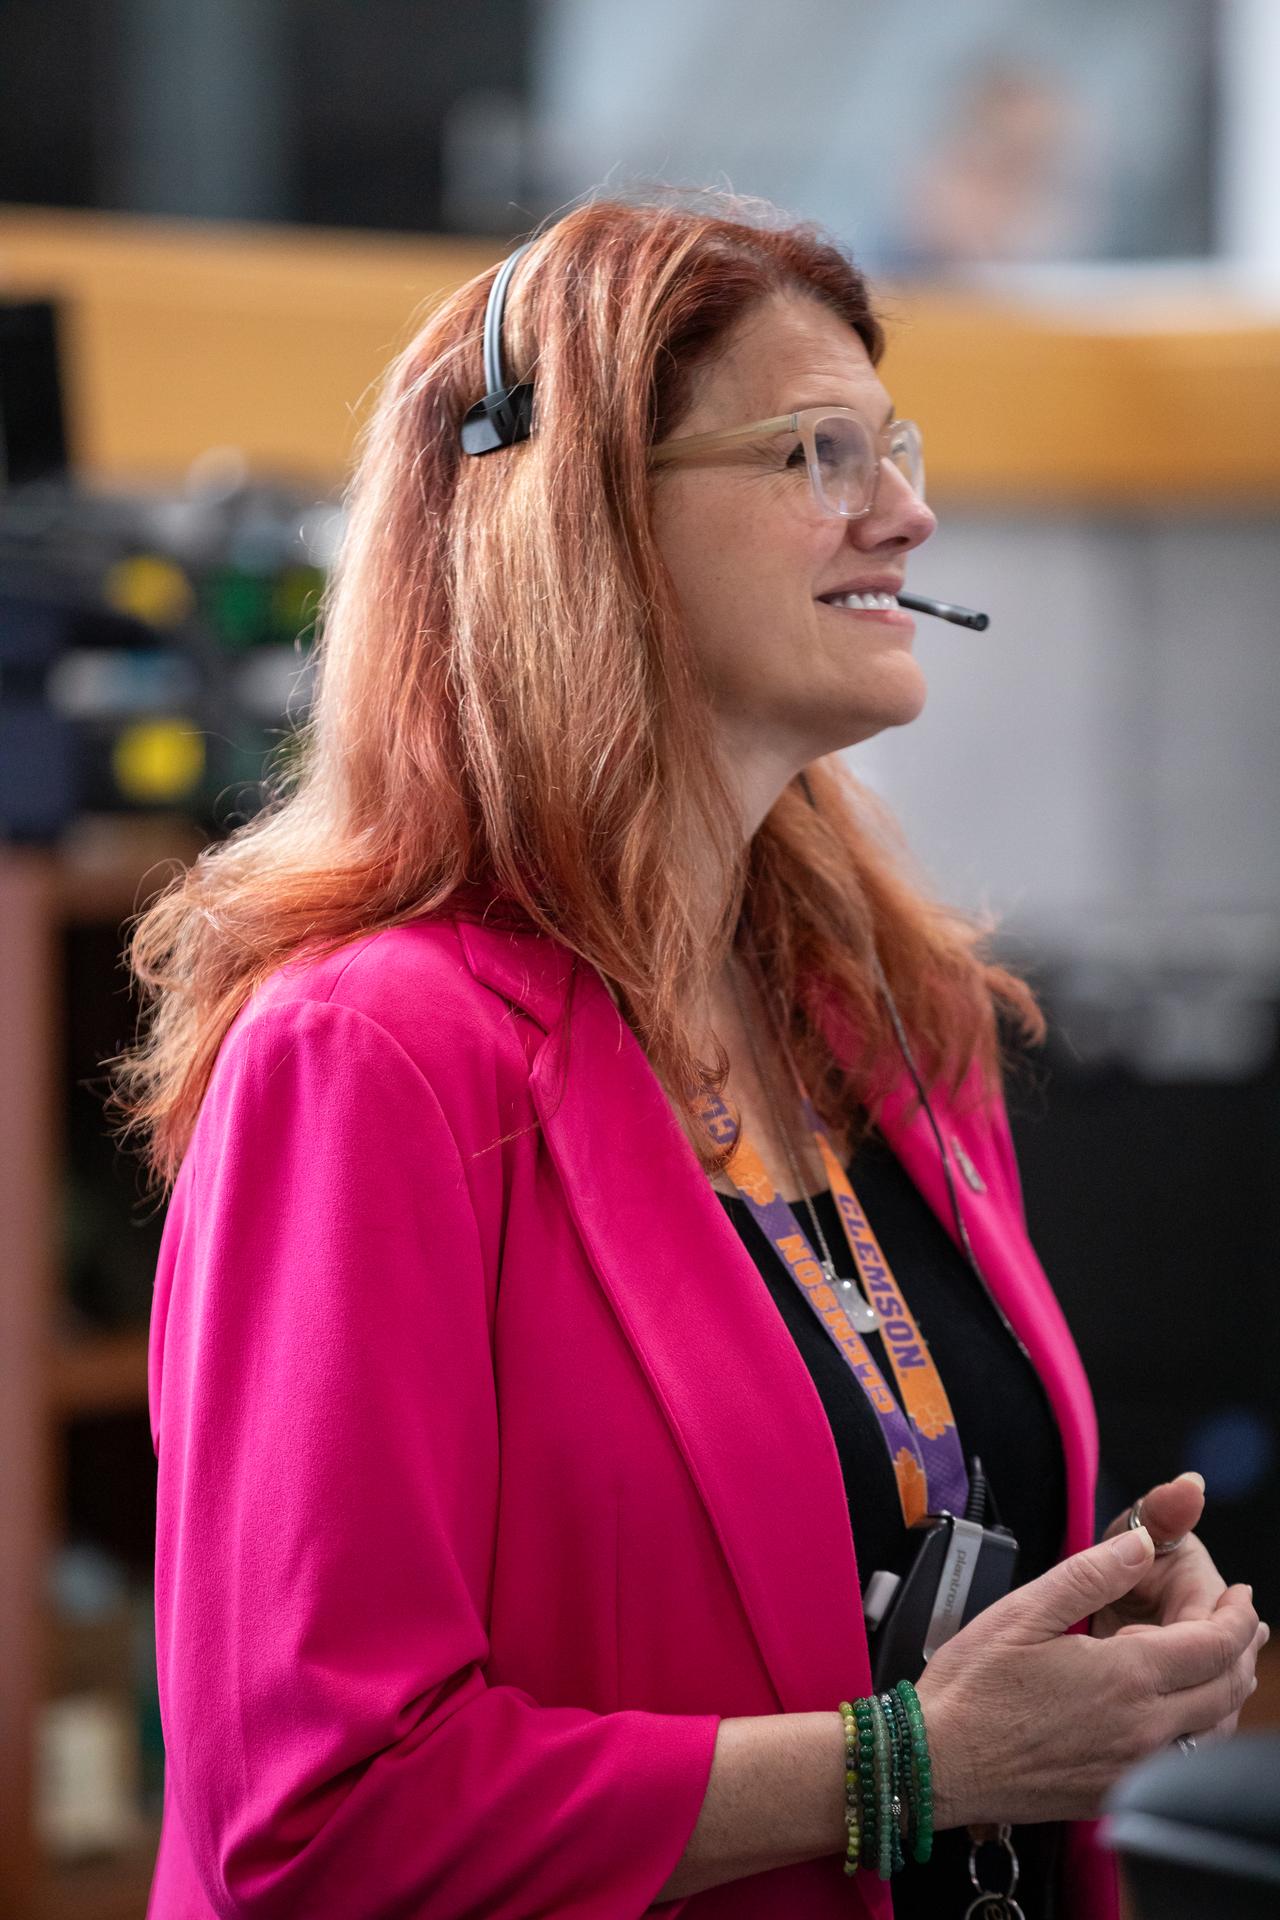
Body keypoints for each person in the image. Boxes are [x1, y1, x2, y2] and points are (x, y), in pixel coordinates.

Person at [113, 192, 1265, 1920]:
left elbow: (840, 1558)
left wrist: (1088, 1654)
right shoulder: (367, 1056)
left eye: (894, 448)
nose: (908, 513)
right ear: (586, 524)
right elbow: (316, 1818)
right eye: (815, 453)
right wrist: (910, 1767)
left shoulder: (891, 1018)